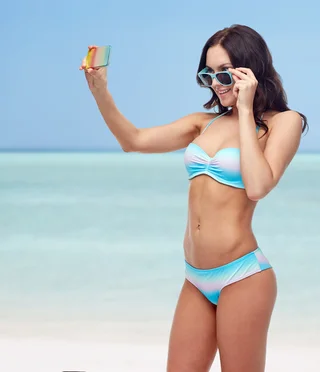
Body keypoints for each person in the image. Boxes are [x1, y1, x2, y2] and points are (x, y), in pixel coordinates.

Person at [79, 24, 308, 372]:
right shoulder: (203, 124)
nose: (216, 83)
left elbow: (258, 186)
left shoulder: (284, 123)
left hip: (243, 276)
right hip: (195, 277)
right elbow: (134, 140)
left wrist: (246, 111)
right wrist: (100, 91)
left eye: (225, 74)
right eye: (208, 74)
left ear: (251, 71)